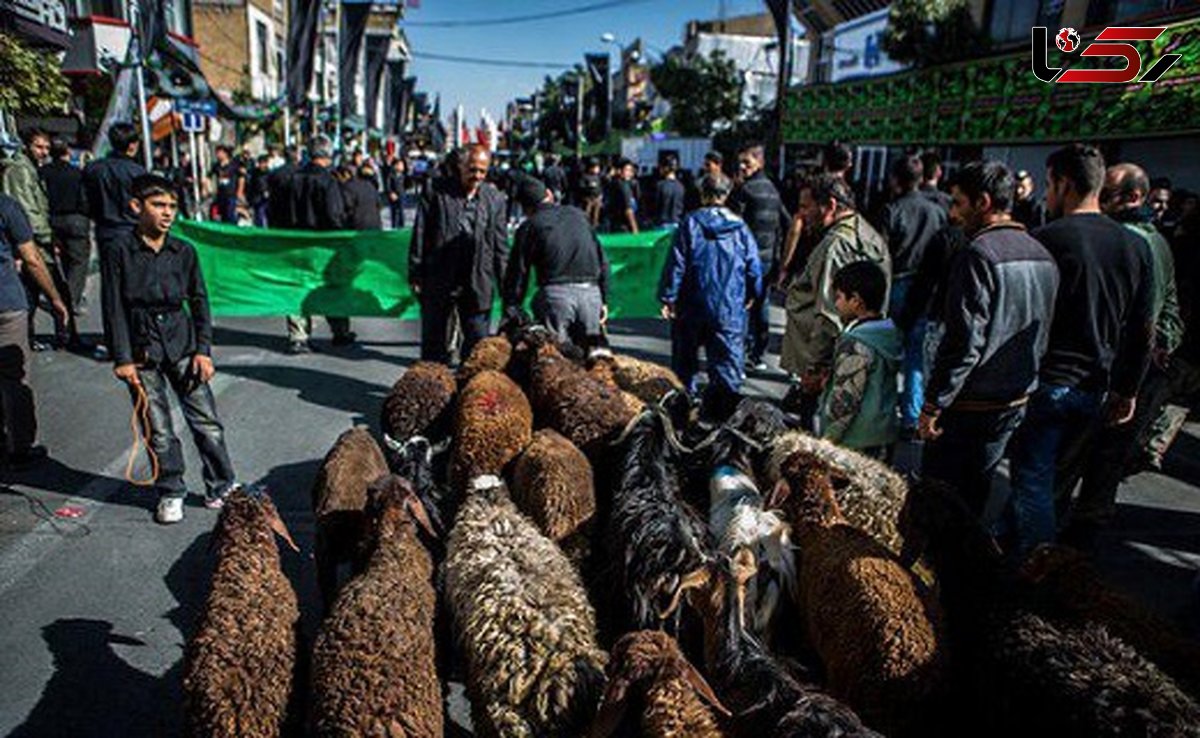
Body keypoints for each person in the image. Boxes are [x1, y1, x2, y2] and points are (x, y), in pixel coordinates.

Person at [1005, 144, 1153, 557]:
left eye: (1049, 185)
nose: (1046, 196)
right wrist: (1128, 389)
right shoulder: (1134, 246)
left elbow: (1025, 318)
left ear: (1064, 183)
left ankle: (1037, 565)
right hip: (1096, 387)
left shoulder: (1049, 239)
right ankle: (1009, 547)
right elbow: (1142, 329)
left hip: (1047, 381)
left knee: (1032, 480)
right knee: (1050, 483)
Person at [1053, 163, 1184, 550]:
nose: (1100, 202)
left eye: (1107, 195)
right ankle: (1073, 557)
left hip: (1116, 374)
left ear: (1134, 198)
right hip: (1130, 374)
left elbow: (1142, 321)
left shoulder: (1130, 242)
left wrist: (1129, 378)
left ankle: (1051, 558)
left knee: (1068, 469)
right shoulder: (1152, 239)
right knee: (1099, 473)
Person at [918, 161, 1059, 517]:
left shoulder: (978, 254)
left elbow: (964, 342)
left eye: (958, 203)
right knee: (975, 497)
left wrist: (934, 403)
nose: (953, 213)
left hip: (970, 405)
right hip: (1014, 398)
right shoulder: (1040, 252)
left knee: (940, 500)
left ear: (982, 202)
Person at [101, 174, 238, 523]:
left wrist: (203, 350)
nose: (167, 213)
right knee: (157, 428)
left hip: (183, 344)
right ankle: (171, 490)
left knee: (207, 422)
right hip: (142, 348)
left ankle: (222, 485)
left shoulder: (184, 251)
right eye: (158, 205)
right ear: (136, 207)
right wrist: (123, 358)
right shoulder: (119, 251)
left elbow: (200, 301)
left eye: (172, 207)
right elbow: (112, 305)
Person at [780, 174, 890, 429]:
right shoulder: (864, 231)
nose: (801, 215)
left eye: (806, 206)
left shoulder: (836, 245)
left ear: (829, 205)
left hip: (832, 364)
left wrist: (815, 368)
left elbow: (829, 314)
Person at [658, 172, 762, 422]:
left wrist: (668, 296)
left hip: (691, 306)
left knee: (685, 366)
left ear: (702, 194)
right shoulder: (740, 228)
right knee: (727, 368)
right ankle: (723, 419)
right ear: (726, 195)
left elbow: (677, 264)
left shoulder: (690, 223)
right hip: (728, 308)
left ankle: (683, 417)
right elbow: (754, 268)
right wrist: (752, 294)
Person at [410, 144, 508, 364]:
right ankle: (434, 392)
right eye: (472, 170)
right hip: (440, 278)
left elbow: (501, 248)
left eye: (482, 171)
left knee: (477, 349)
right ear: (460, 166)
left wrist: (506, 289)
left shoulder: (495, 199)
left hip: (478, 282)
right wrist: (416, 273)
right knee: (434, 347)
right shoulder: (435, 191)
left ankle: (468, 393)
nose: (477, 176)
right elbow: (421, 233)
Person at [0, 193, 69, 468]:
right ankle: (20, 448)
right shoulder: (7, 206)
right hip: (6, 304)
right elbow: (32, 259)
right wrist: (54, 298)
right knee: (14, 378)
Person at [503, 176, 609, 350]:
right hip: (591, 296)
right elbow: (602, 261)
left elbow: (518, 273)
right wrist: (603, 299)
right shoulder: (579, 216)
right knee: (593, 360)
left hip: (555, 299)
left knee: (557, 364)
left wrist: (512, 306)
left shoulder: (529, 226)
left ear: (525, 208)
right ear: (549, 194)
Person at [882, 154, 947, 433]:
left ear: (896, 179)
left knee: (887, 353)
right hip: (926, 287)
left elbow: (881, 254)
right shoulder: (937, 212)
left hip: (896, 283)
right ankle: (910, 416)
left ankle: (882, 413)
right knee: (915, 358)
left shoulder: (892, 210)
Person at [819, 261, 901, 458]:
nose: (836, 304)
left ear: (855, 300)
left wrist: (828, 440)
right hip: (884, 432)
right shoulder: (888, 333)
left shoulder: (856, 342)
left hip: (855, 440)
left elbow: (847, 398)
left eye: (838, 297)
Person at [2, 127, 70, 351]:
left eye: (47, 148)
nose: (43, 152)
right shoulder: (20, 170)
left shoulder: (30, 168)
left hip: (34, 239)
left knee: (34, 291)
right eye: (39, 147)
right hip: (31, 242)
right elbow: (27, 210)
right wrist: (47, 236)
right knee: (34, 291)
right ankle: (26, 340)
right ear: (26, 146)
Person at [285, 138, 355, 353]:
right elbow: (334, 214)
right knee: (332, 287)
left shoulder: (293, 179)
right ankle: (340, 331)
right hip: (324, 243)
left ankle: (298, 335)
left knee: (299, 288)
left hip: (296, 241)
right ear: (328, 154)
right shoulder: (328, 181)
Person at [729, 144, 789, 372]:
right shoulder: (773, 190)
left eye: (747, 162)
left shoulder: (745, 191)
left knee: (742, 306)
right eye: (741, 163)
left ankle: (739, 354)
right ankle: (759, 353)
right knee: (761, 306)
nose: (742, 167)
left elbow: (735, 225)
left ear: (759, 163)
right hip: (767, 260)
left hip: (746, 260)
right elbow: (786, 223)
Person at [40, 139, 91, 337]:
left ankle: (63, 296)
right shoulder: (77, 173)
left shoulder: (43, 173)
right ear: (67, 152)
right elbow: (85, 198)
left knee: (59, 262)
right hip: (76, 219)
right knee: (78, 263)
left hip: (53, 220)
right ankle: (71, 300)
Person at [341, 163, 383, 231]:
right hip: (375, 224)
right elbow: (379, 204)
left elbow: (347, 207)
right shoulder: (370, 186)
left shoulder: (348, 187)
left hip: (358, 226)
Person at [209, 145, 245, 224]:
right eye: (217, 153)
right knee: (222, 215)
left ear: (225, 154)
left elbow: (241, 178)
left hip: (231, 194)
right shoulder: (216, 165)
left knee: (230, 215)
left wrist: (240, 191)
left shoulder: (234, 165)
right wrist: (207, 187)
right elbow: (208, 176)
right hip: (220, 194)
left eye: (220, 153)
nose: (218, 155)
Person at [605, 158, 639, 234]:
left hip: (614, 225)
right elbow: (628, 210)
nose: (630, 173)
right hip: (624, 227)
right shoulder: (623, 186)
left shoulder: (613, 183)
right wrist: (635, 230)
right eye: (627, 170)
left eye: (631, 170)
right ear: (619, 171)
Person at [654, 155, 685, 227]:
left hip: (661, 223)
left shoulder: (660, 185)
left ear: (666, 168)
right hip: (677, 223)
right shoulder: (681, 186)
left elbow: (656, 206)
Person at [578, 158, 604, 227]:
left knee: (596, 215)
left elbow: (600, 187)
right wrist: (589, 186)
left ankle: (595, 226)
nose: (598, 169)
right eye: (596, 167)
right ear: (590, 168)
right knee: (587, 214)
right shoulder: (585, 176)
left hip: (597, 198)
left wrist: (600, 195)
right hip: (588, 199)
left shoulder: (598, 177)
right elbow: (581, 187)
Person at [247, 153, 271, 227]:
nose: (262, 165)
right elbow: (251, 186)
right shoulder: (255, 173)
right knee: (258, 218)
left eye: (264, 163)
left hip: (267, 200)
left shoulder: (270, 173)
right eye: (260, 163)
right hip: (257, 199)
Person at [385, 156, 406, 229]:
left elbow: (407, 184)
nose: (402, 167)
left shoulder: (403, 175)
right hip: (394, 195)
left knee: (401, 212)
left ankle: (402, 226)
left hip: (401, 195)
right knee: (394, 212)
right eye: (400, 165)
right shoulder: (391, 175)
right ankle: (394, 226)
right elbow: (388, 185)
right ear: (395, 166)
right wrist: (391, 193)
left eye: (402, 165)